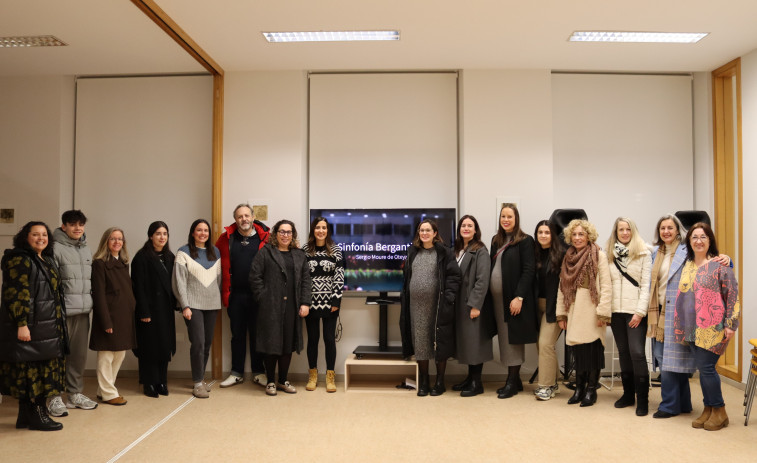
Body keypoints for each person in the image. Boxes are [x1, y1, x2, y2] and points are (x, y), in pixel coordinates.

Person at [648, 215, 731, 419]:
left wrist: (729, 259)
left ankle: (670, 405)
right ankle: (683, 403)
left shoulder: (687, 250)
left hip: (682, 314)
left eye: (670, 227)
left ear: (678, 230)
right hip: (659, 312)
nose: (666, 231)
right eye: (662, 228)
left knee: (674, 361)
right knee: (666, 359)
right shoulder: (655, 253)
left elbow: (715, 262)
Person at [1, 222, 67, 431]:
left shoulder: (45, 259)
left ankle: (25, 417)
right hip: (31, 327)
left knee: (40, 370)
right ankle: (38, 416)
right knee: (32, 373)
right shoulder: (19, 259)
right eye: (35, 234)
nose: (41, 238)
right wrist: (21, 324)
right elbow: (15, 294)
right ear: (25, 237)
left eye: (44, 234)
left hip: (47, 327)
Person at [674, 222, 739, 431]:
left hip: (714, 326)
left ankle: (720, 411)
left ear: (710, 240)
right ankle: (708, 409)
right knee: (703, 370)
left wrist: (731, 324)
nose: (698, 241)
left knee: (708, 368)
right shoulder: (688, 265)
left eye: (703, 237)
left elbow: (733, 296)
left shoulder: (721, 266)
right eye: (694, 237)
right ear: (689, 242)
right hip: (691, 327)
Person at [399, 219, 461, 397]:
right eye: (421, 230)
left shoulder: (444, 252)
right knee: (420, 343)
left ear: (435, 233)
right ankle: (424, 381)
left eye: (428, 230)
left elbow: (454, 277)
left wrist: (448, 298)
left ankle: (440, 382)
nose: (424, 233)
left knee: (438, 343)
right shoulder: (413, 251)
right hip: (415, 307)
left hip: (438, 306)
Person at [250, 219, 311, 396]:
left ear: (293, 235)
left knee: (287, 343)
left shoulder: (299, 254)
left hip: (292, 305)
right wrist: (263, 297)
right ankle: (270, 382)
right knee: (272, 343)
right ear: (275, 234)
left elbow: (306, 280)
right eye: (282, 232)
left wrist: (305, 302)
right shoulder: (266, 252)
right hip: (271, 307)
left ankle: (283, 380)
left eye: (289, 232)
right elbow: (255, 277)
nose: (285, 235)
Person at [483, 203, 538, 399]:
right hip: (496, 301)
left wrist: (519, 296)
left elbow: (529, 270)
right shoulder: (495, 240)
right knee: (504, 339)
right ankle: (515, 380)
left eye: (510, 217)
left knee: (512, 339)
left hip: (513, 299)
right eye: (503, 216)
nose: (506, 220)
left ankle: (511, 381)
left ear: (516, 219)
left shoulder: (525, 241)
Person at [556, 219, 612, 407]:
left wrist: (603, 313)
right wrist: (561, 314)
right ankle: (579, 388)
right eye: (574, 234)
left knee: (593, 352)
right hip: (574, 312)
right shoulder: (568, 258)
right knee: (578, 353)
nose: (578, 238)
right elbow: (561, 289)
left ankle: (591, 389)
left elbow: (606, 286)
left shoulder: (599, 255)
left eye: (581, 234)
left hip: (592, 313)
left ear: (589, 236)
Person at [48, 210, 97, 417]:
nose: (78, 228)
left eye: (81, 225)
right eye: (73, 224)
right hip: (60, 313)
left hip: (83, 311)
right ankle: (54, 397)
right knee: (57, 356)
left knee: (78, 356)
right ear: (64, 226)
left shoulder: (85, 249)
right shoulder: (54, 248)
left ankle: (75, 394)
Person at [217, 204, 270, 389]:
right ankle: (236, 373)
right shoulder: (226, 239)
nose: (244, 219)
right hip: (236, 296)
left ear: (253, 217)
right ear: (235, 219)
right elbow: (214, 260)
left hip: (258, 296)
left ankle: (259, 372)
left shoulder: (266, 238)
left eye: (247, 215)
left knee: (258, 335)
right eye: (240, 216)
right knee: (237, 335)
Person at [605, 217, 652, 416]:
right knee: (623, 353)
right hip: (616, 312)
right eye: (620, 230)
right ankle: (627, 394)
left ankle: (643, 399)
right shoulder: (608, 254)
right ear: (616, 232)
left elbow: (646, 286)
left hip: (635, 313)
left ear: (633, 231)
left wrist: (640, 312)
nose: (624, 233)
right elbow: (606, 284)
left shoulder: (643, 253)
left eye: (628, 229)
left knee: (637, 353)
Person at [172, 219, 222, 399]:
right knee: (198, 342)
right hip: (192, 306)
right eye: (199, 230)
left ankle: (200, 378)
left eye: (206, 230)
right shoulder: (183, 252)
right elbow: (179, 282)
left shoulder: (215, 252)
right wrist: (184, 305)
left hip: (212, 305)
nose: (203, 233)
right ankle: (197, 382)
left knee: (207, 343)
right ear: (192, 232)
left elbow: (218, 280)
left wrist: (217, 300)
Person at [89, 227, 136, 406]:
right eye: (112, 239)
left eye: (120, 239)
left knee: (119, 355)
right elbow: (99, 294)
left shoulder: (124, 262)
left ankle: (104, 389)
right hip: (109, 315)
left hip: (124, 315)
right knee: (106, 356)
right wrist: (105, 320)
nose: (117, 242)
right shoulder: (99, 263)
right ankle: (109, 393)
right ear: (105, 242)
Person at [131, 221, 176, 398]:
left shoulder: (170, 256)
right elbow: (138, 287)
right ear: (151, 236)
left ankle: (162, 381)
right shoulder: (141, 257)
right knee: (149, 348)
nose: (162, 237)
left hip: (165, 310)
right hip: (148, 311)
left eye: (165, 233)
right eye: (158, 233)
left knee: (164, 346)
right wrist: (143, 311)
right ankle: (148, 382)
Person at [451, 215, 490, 397]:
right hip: (458, 304)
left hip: (472, 304)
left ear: (475, 230)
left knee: (475, 343)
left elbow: (482, 280)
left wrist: (475, 305)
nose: (466, 228)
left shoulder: (480, 250)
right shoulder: (457, 250)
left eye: (470, 226)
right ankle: (470, 378)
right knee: (467, 342)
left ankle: (477, 383)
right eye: (463, 225)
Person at [303, 217, 344, 393]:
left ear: (328, 230)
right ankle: (312, 375)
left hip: (330, 304)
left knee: (329, 340)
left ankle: (330, 376)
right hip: (310, 303)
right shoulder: (305, 250)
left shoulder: (336, 250)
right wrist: (304, 301)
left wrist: (336, 300)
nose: (321, 231)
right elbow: (302, 279)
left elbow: (340, 277)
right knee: (312, 340)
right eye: (318, 227)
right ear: (313, 230)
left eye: (324, 228)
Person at [533, 220, 566, 401]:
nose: (543, 235)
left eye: (547, 232)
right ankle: (553, 383)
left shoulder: (561, 255)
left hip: (554, 306)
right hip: (536, 305)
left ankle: (545, 386)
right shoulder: (534, 253)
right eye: (540, 232)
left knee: (546, 344)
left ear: (552, 235)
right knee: (542, 345)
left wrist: (563, 312)